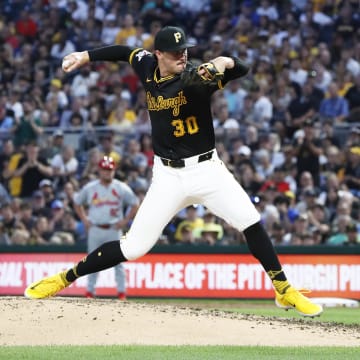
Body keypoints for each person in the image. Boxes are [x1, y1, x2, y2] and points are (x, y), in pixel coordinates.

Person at [24, 26, 322, 317]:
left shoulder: (195, 78)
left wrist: (223, 62)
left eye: (185, 50)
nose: (183, 56)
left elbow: (240, 68)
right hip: (167, 175)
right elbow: (125, 52)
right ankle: (64, 278)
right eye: (175, 52)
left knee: (250, 221)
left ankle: (283, 288)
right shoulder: (147, 66)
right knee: (134, 247)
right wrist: (86, 56)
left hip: (206, 169)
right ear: (159, 55)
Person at [73, 155, 139, 300]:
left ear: (114, 170)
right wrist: (84, 219)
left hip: (113, 229)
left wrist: (126, 220)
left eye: (109, 170)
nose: (107, 172)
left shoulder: (120, 187)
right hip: (95, 228)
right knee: (91, 261)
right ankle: (90, 291)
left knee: (118, 261)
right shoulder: (91, 188)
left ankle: (121, 293)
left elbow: (135, 202)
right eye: (104, 169)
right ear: (99, 170)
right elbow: (77, 202)